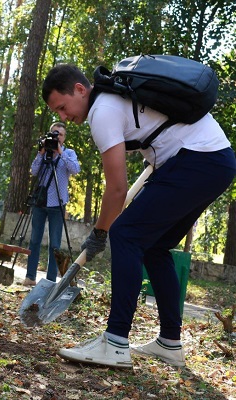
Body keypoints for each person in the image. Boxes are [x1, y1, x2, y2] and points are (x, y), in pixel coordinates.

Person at [41, 63, 236, 368]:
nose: (64, 118)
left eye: (63, 107)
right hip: (216, 160)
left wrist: (100, 233)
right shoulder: (114, 98)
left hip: (198, 160)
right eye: (59, 113)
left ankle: (115, 342)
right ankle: (170, 343)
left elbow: (117, 189)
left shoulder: (102, 111)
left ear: (80, 89)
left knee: (125, 234)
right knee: (154, 246)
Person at [23, 122, 80, 286]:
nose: (56, 137)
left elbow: (75, 169)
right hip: (40, 202)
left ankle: (49, 281)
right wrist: (41, 153)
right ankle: (30, 277)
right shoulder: (44, 154)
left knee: (55, 244)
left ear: (64, 138)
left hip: (58, 204)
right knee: (34, 240)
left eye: (60, 135)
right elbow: (34, 171)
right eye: (54, 134)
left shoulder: (69, 153)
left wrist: (60, 152)